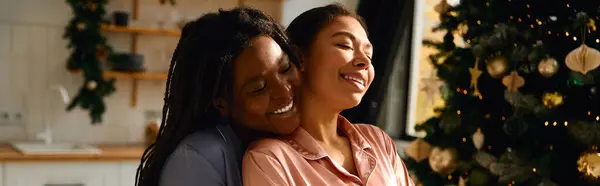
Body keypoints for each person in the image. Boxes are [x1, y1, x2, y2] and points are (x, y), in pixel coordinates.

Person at [242, 4, 415, 186]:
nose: (364, 61)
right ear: (298, 58)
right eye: (345, 45)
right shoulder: (270, 159)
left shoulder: (378, 142)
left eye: (369, 55)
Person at [135, 7, 301, 186]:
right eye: (259, 88)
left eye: (285, 68)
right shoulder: (198, 159)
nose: (284, 91)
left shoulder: (286, 140)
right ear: (221, 103)